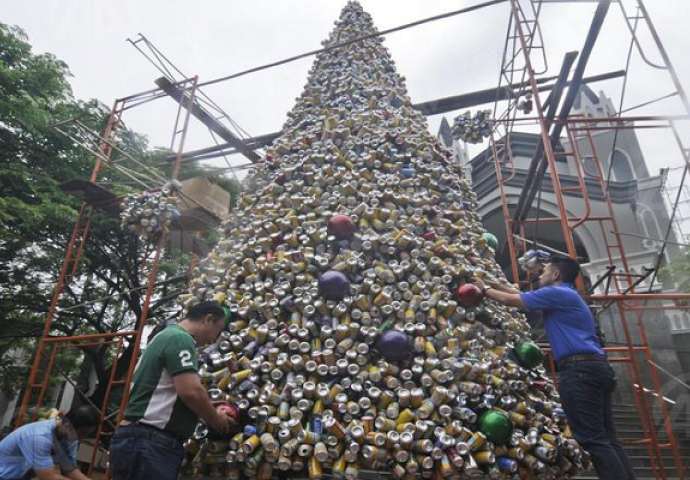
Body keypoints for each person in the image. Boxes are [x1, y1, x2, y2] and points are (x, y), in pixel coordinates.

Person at [473, 256, 636, 480]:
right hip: (595, 367)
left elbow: (511, 300)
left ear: (556, 275)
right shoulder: (565, 294)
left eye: (544, 271)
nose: (540, 275)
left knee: (593, 439)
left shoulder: (558, 294)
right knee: (606, 438)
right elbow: (514, 292)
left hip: (580, 370)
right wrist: (486, 279)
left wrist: (484, 289)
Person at [109, 301, 236, 480]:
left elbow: (167, 391)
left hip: (138, 439)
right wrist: (215, 419)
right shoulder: (180, 338)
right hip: (151, 442)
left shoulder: (164, 337)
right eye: (218, 330)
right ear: (208, 320)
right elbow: (190, 391)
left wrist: (205, 404)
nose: (214, 339)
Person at [0, 405, 100, 480]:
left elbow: (69, 469)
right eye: (83, 433)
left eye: (88, 434)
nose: (84, 437)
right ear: (67, 424)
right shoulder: (39, 437)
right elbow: (48, 477)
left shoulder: (70, 436)